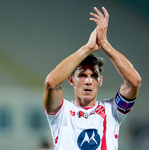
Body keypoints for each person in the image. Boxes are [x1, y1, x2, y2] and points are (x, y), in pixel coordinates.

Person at [43, 7, 141, 150]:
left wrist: (104, 43)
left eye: (94, 76)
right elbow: (50, 83)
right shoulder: (61, 111)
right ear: (71, 80)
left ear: (100, 81)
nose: (88, 81)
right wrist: (87, 48)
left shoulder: (112, 111)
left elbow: (134, 82)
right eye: (82, 75)